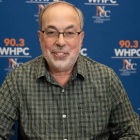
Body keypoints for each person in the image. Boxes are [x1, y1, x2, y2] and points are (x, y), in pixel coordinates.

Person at [0, 1, 140, 140]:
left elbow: (131, 133)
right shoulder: (17, 80)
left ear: (81, 38)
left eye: (69, 33)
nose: (60, 42)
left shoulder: (106, 79)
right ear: (40, 37)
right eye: (51, 32)